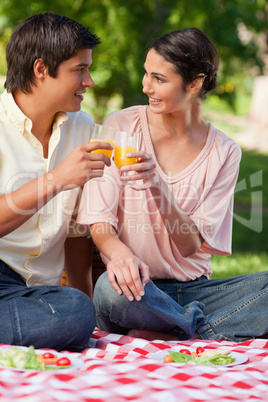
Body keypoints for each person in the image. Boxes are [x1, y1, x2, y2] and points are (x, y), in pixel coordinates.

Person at [77, 27, 268, 342]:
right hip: (135, 290)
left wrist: (157, 186)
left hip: (195, 289)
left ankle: (177, 329)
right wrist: (119, 255)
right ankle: (199, 327)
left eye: (159, 79)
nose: (146, 86)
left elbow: (189, 245)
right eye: (146, 74)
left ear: (195, 84)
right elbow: (100, 222)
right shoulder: (121, 125)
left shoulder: (224, 151)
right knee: (111, 295)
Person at [0, 12, 114, 351]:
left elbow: (76, 233)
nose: (89, 81)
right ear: (40, 70)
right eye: (79, 70)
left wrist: (85, 309)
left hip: (33, 294)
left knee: (77, 312)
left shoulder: (82, 127)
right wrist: (56, 179)